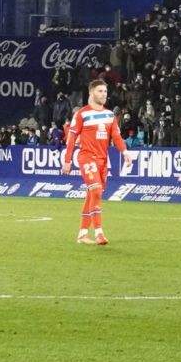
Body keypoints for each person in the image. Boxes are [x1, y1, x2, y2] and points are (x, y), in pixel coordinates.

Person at [62, 77, 128, 246]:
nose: (104, 94)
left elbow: (116, 136)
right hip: (87, 158)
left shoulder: (109, 115)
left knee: (92, 194)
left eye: (105, 91)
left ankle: (83, 234)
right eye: (100, 91)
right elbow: (72, 137)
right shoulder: (81, 114)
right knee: (96, 190)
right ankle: (99, 233)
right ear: (91, 93)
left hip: (103, 161)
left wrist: (125, 152)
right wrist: (67, 160)